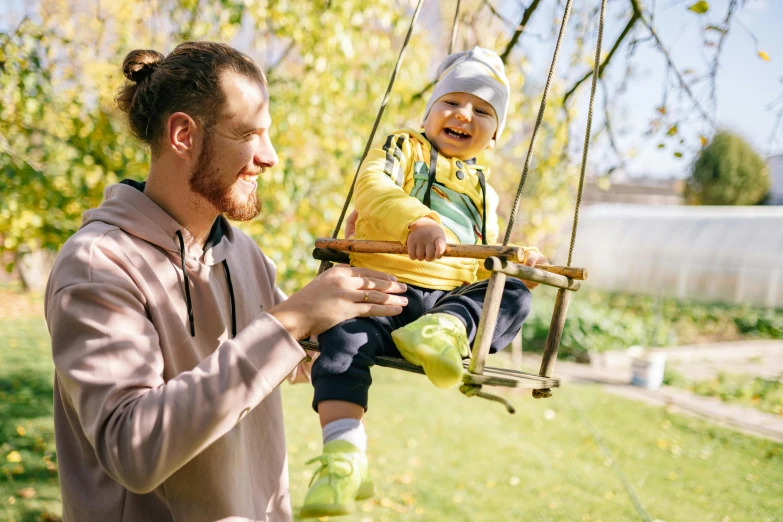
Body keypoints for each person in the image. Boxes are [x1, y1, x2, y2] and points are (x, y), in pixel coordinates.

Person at [44, 41, 409, 522]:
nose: (270, 157)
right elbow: (132, 448)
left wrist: (361, 301)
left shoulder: (243, 254)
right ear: (182, 135)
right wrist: (292, 319)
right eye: (249, 134)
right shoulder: (99, 265)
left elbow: (286, 359)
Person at [299, 47, 547, 518]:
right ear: (428, 113)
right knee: (340, 342)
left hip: (443, 302)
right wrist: (417, 221)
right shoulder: (405, 149)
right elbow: (372, 186)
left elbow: (478, 265)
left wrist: (513, 261)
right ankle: (343, 458)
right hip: (381, 290)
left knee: (511, 293)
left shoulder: (485, 193)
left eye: (482, 111)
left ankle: (445, 331)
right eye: (452, 102)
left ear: (493, 138)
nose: (463, 115)